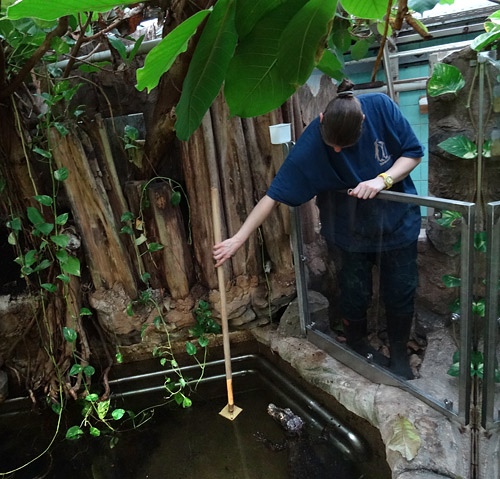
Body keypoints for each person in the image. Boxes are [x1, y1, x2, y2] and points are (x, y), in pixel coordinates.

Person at [213, 79, 423, 380]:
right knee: (354, 291)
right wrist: (238, 239)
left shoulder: (381, 108)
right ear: (322, 120)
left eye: (344, 146)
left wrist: (382, 180)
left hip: (397, 224)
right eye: (332, 144)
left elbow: (413, 152)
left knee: (401, 290)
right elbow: (273, 196)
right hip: (348, 231)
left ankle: (400, 353)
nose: (336, 149)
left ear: (363, 121)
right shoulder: (314, 139)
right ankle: (357, 342)